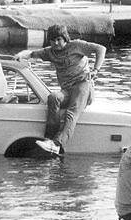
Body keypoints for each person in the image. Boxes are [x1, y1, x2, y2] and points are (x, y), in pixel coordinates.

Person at [13, 24, 105, 156]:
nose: (56, 43)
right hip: (67, 90)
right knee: (53, 97)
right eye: (52, 40)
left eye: (59, 40)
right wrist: (20, 55)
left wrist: (96, 69)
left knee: (71, 113)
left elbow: (101, 48)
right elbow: (32, 54)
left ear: (65, 38)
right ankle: (48, 140)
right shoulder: (50, 52)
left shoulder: (76, 45)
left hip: (83, 85)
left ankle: (57, 144)